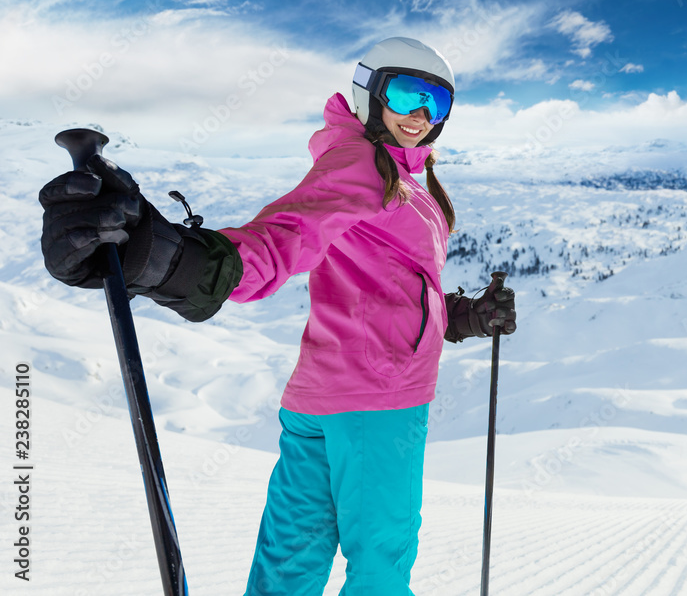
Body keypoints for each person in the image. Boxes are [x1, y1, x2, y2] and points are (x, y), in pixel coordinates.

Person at [38, 36, 516, 595]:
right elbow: (286, 238)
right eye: (408, 93)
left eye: (436, 103)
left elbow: (388, 285)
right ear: (370, 92)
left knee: (290, 562)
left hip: (319, 399)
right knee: (380, 568)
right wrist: (170, 260)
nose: (419, 115)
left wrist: (465, 317)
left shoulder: (400, 174)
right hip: (381, 403)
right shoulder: (366, 164)